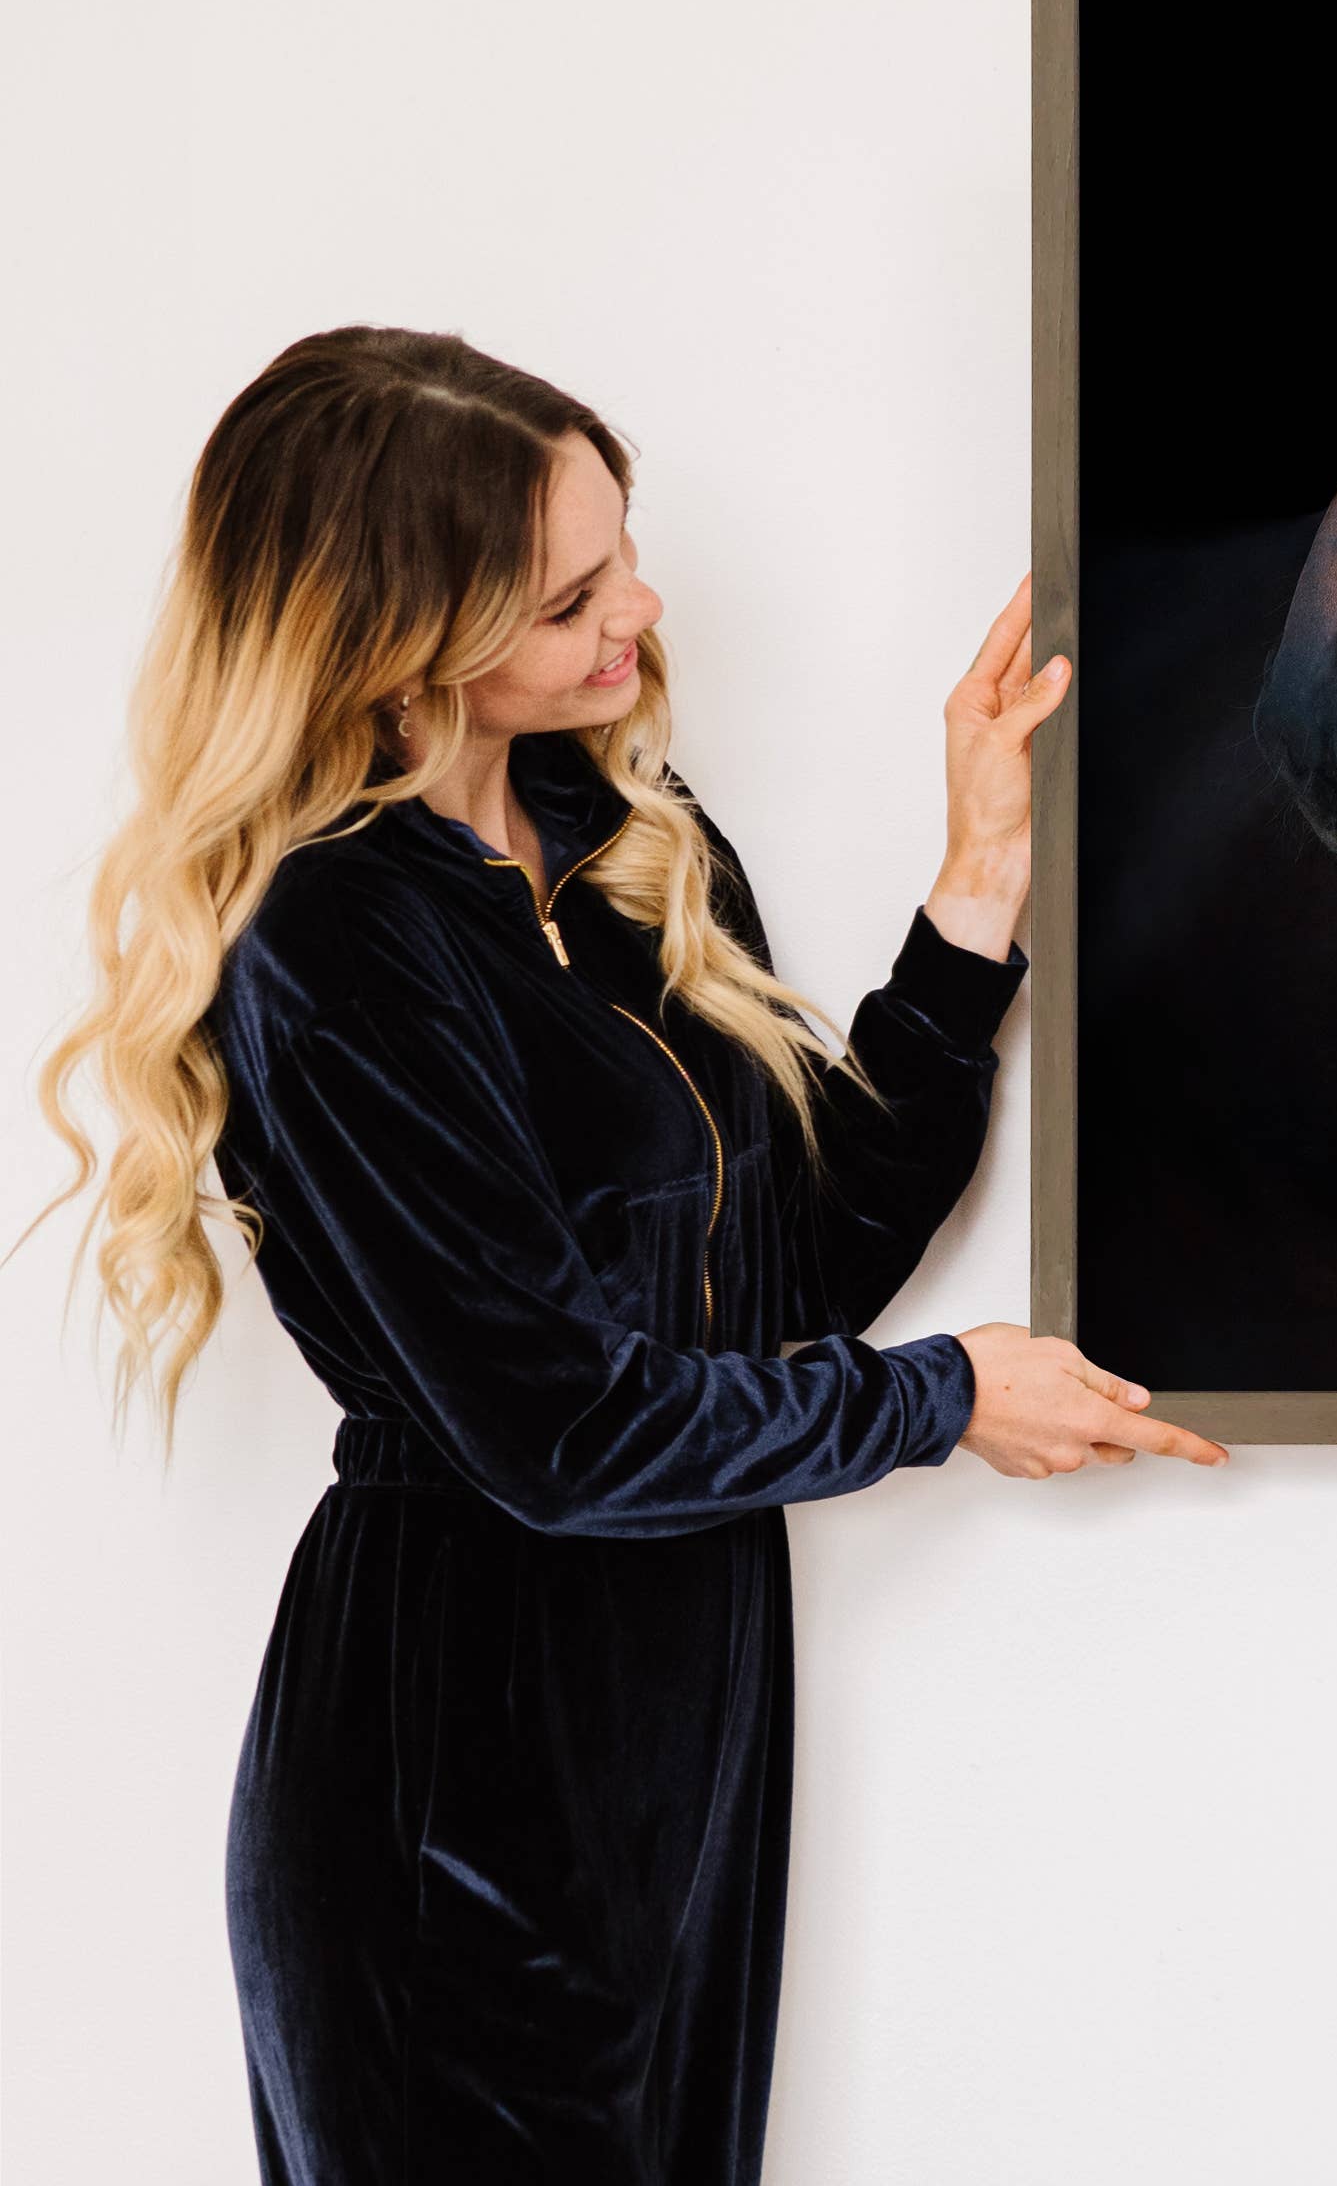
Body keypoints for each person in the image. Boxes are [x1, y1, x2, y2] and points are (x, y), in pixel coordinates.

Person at [37, 327, 1222, 2185]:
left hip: (672, 1738)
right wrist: (943, 1405)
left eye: (624, 548)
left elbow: (798, 1275)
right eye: (572, 595)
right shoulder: (328, 945)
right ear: (390, 641)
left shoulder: (620, 837)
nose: (641, 615)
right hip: (457, 1774)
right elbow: (561, 1429)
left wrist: (974, 884)